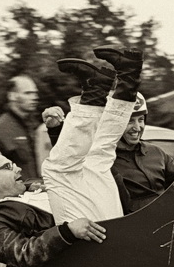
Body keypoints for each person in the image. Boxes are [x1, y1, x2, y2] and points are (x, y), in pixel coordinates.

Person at [42, 45, 143, 222]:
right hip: (107, 237)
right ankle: (116, 80)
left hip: (107, 234)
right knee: (63, 168)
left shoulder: (157, 156)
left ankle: (104, 85)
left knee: (96, 158)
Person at [0, 147, 107, 267]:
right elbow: (23, 254)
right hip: (78, 263)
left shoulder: (36, 186)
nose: (18, 168)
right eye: (8, 167)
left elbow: (67, 166)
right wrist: (67, 232)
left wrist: (54, 130)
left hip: (104, 231)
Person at [111, 88, 174, 213]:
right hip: (134, 226)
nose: (137, 127)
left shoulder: (157, 152)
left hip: (168, 221)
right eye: (130, 121)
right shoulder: (106, 160)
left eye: (141, 119)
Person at [0, 74, 52, 186]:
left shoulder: (34, 126)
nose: (35, 97)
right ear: (12, 96)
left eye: (35, 93)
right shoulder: (0, 130)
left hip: (38, 196)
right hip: (16, 199)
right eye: (28, 93)